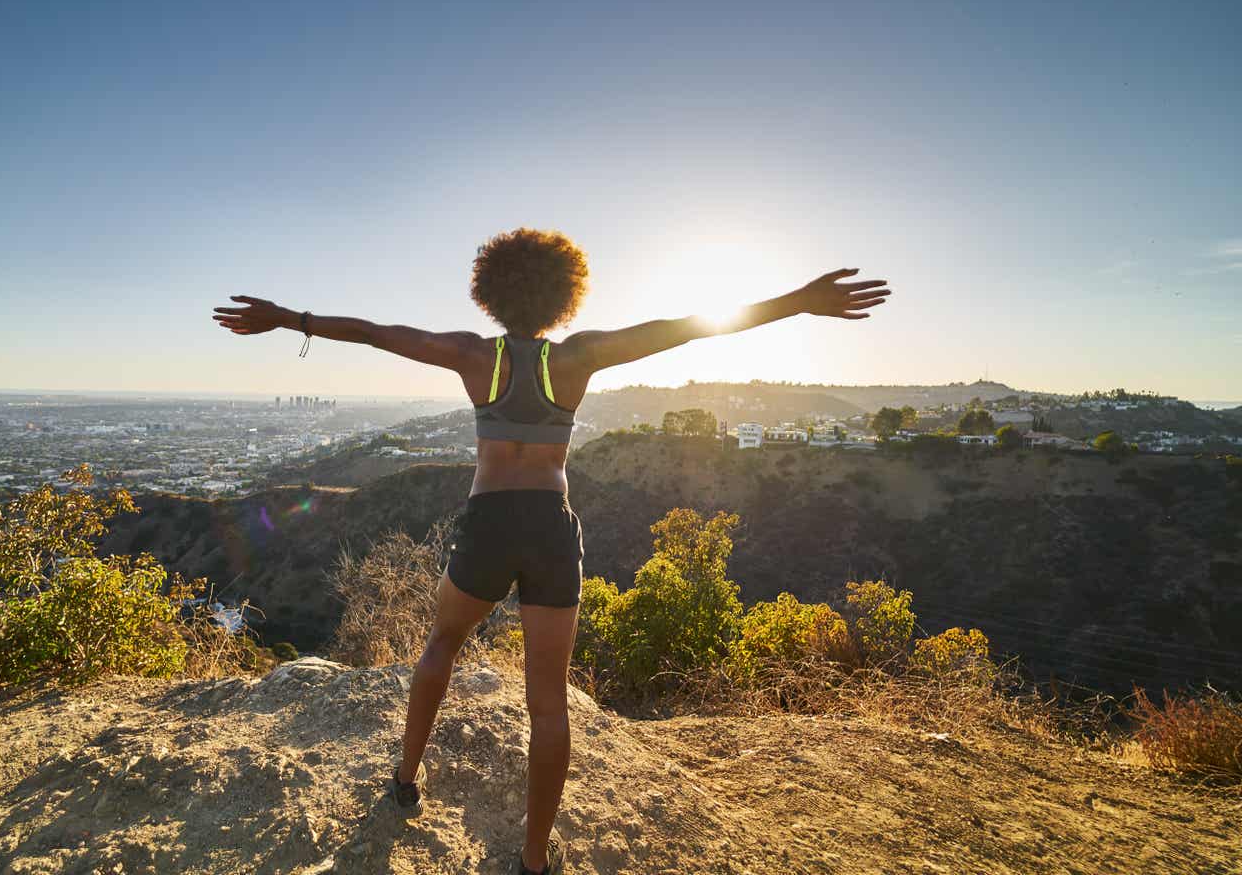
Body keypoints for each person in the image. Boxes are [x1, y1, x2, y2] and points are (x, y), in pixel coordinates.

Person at [212, 228, 889, 874]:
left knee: (441, 647)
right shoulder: (579, 356)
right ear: (565, 292)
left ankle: (404, 782)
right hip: (550, 528)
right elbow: (691, 326)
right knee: (548, 702)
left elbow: (372, 333)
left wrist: (289, 318)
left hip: (488, 522)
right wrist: (798, 301)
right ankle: (534, 860)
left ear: (492, 291)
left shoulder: (473, 354)